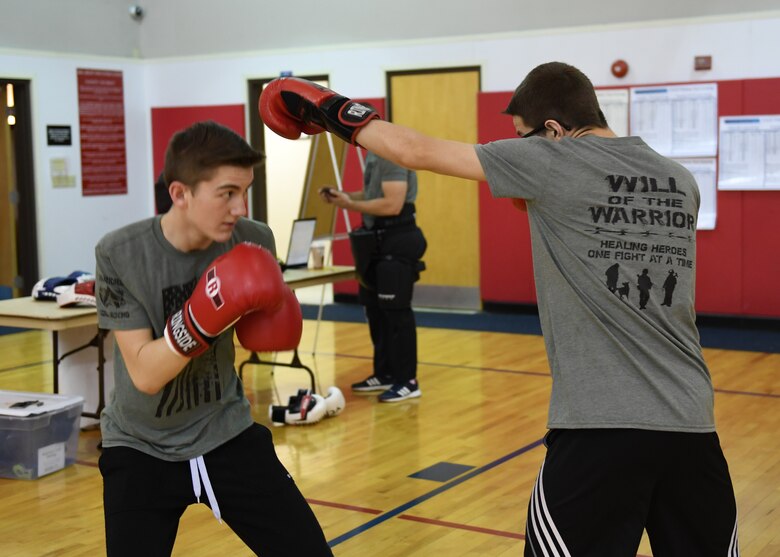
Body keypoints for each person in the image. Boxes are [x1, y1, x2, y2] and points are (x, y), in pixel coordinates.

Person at [259, 65, 740, 556]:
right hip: (693, 425)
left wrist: (330, 106)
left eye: (524, 140)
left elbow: (414, 151)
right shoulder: (680, 180)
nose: (519, 151)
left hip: (600, 428)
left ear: (553, 130)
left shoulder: (556, 162)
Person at [94, 120, 332, 557]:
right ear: (180, 193)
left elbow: (266, 335)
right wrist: (205, 313)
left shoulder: (253, 238)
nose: (240, 207)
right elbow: (146, 373)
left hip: (225, 432)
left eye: (246, 191)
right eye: (227, 193)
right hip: (140, 445)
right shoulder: (120, 253)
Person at [318, 142, 426, 402]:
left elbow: (392, 204)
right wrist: (344, 197)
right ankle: (386, 373)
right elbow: (372, 194)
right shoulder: (373, 155)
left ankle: (407, 381)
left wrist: (349, 205)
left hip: (396, 239)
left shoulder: (391, 154)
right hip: (376, 241)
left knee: (396, 312)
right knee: (375, 311)